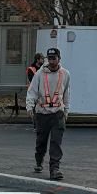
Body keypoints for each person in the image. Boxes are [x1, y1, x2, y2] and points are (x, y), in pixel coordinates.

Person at [25, 44, 70, 180]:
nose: (51, 61)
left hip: (58, 113)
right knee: (41, 142)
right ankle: (39, 160)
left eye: (54, 58)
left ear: (59, 59)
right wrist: (29, 106)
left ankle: (54, 169)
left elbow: (67, 93)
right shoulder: (40, 74)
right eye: (49, 58)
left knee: (56, 142)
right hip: (42, 113)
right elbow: (32, 91)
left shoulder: (65, 74)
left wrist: (66, 110)